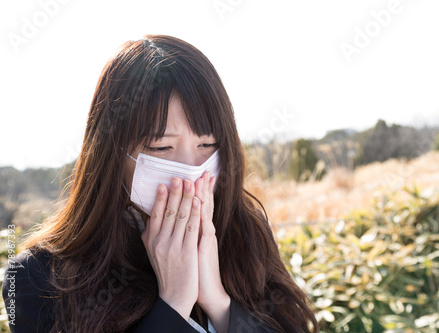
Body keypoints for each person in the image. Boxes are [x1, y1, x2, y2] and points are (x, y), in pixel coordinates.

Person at [2, 35, 318, 333]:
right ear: (111, 154)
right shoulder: (34, 277)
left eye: (207, 145)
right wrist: (174, 302)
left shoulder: (244, 230)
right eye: (161, 147)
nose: (191, 171)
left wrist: (218, 302)